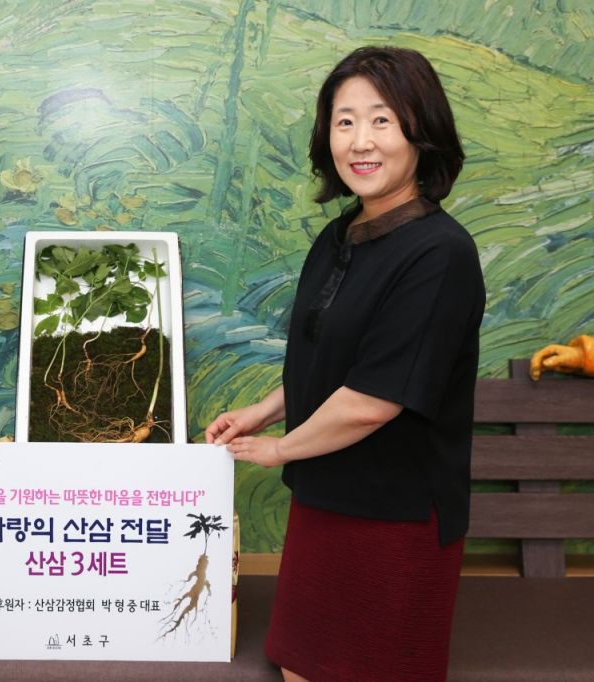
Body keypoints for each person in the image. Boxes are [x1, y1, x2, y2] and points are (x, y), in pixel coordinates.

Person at [206, 46, 485, 682]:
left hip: (396, 514)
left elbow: (373, 399)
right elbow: (331, 357)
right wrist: (263, 410)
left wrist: (279, 450)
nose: (361, 141)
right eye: (345, 121)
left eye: (382, 120)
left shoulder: (440, 254)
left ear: (421, 131)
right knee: (299, 669)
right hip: (325, 494)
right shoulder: (340, 235)